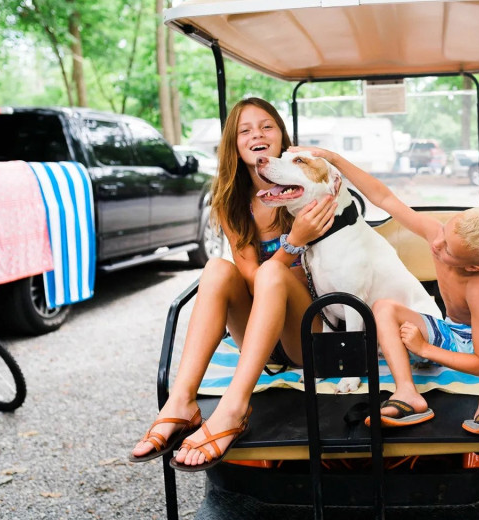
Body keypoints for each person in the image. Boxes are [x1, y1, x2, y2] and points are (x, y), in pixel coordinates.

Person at [129, 97, 337, 470]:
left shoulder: (308, 188)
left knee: (275, 271)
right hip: (257, 337)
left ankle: (233, 409)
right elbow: (251, 278)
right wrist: (293, 243)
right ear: (234, 145)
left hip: (306, 334)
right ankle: (181, 401)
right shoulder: (232, 201)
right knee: (217, 268)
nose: (257, 133)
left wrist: (292, 247)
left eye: (266, 126)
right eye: (245, 130)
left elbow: (290, 270)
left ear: (281, 137)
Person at [290, 145, 479, 436]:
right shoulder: (437, 234)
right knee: (383, 307)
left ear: (474, 267)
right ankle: (407, 393)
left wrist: (424, 349)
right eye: (444, 232)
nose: (437, 246)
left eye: (448, 250)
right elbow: (384, 197)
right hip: (450, 331)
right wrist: (334, 159)